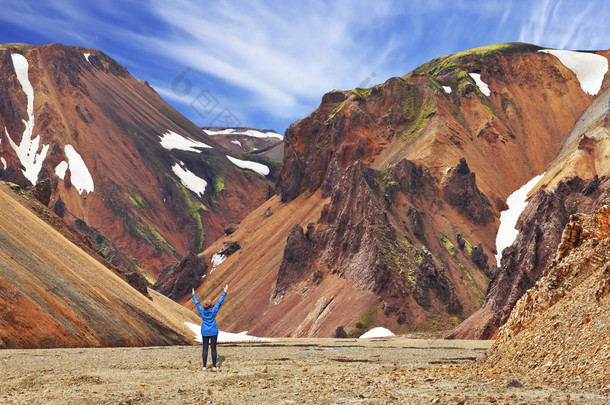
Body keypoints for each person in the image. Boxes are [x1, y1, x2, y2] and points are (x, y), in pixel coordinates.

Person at [192, 284, 227, 371]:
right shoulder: (214, 310)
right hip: (213, 331)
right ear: (211, 306)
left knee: (205, 348)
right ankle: (214, 366)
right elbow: (220, 302)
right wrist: (225, 292)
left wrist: (193, 295)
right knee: (213, 348)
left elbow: (196, 303)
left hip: (204, 331)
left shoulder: (201, 311)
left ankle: (204, 366)